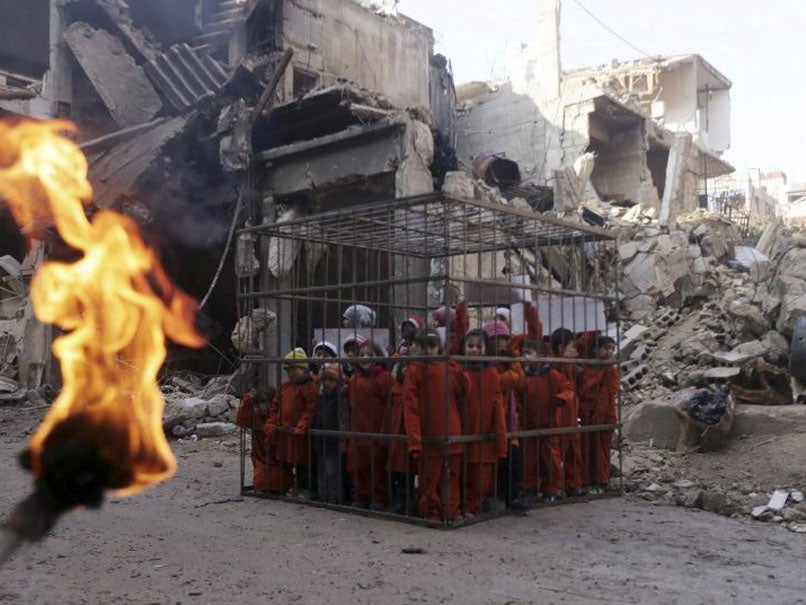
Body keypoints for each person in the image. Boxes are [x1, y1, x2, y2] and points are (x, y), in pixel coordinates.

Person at [403, 328, 469, 523]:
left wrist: (459, 371)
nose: (428, 351)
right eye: (424, 347)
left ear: (439, 347)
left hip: (451, 431)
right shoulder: (415, 370)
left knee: (452, 476)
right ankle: (431, 511)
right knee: (430, 479)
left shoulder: (449, 367)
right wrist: (415, 440)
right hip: (429, 434)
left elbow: (464, 392)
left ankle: (451, 510)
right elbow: (411, 406)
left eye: (432, 346)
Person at [513, 341, 574, 508]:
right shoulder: (523, 378)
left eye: (528, 352)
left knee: (551, 459)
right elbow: (518, 399)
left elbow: (568, 391)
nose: (525, 356)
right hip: (529, 426)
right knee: (529, 460)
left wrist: (561, 398)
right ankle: (529, 490)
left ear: (540, 355)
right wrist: (519, 416)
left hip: (549, 425)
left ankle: (552, 489)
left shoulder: (554, 376)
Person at [460, 329, 507, 519]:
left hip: (484, 429)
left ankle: (473, 506)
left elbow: (498, 405)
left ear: (486, 349)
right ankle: (462, 506)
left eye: (478, 346)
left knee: (480, 476)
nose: (474, 350)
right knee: (461, 472)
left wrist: (500, 436)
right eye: (470, 346)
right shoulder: (458, 370)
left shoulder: (491, 373)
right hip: (461, 428)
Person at [264, 348, 319, 498]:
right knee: (291, 461)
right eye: (289, 369)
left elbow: (310, 409)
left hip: (301, 433)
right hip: (287, 432)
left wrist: (302, 425)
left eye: (295, 368)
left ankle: (307, 489)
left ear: (303, 368)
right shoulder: (286, 387)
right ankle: (295, 486)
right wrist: (272, 423)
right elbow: (276, 406)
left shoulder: (309, 386)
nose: (291, 372)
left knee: (304, 463)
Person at [483, 319, 524, 508]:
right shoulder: (486, 364)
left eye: (504, 339)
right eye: (497, 339)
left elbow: (519, 380)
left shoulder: (507, 361)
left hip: (508, 420)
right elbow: (499, 382)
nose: (501, 343)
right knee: (492, 461)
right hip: (489, 419)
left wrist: (513, 359)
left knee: (512, 459)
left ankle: (512, 497)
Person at [347, 340, 392, 509]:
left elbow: (389, 406)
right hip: (358, 430)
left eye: (370, 355)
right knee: (358, 467)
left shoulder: (384, 378)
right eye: (362, 355)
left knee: (378, 467)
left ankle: (379, 498)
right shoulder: (353, 379)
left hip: (376, 429)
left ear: (378, 357)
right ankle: (361, 496)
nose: (365, 358)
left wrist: (384, 431)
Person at [578, 336, 619, 494]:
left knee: (601, 449)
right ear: (596, 349)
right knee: (586, 448)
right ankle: (587, 480)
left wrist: (598, 415)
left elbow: (607, 395)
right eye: (606, 348)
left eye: (612, 348)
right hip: (586, 413)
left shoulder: (611, 370)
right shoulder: (587, 368)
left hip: (603, 415)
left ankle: (601, 481)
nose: (610, 352)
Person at [550, 328, 584, 496]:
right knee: (557, 456)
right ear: (560, 348)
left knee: (573, 454)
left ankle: (572, 485)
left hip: (571, 416)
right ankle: (556, 487)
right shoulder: (555, 368)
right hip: (560, 416)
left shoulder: (569, 367)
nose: (576, 353)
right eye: (572, 348)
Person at [236, 386, 286, 494]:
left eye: (264, 402)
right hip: (262, 459)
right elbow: (242, 421)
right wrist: (248, 401)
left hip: (277, 459)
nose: (261, 407)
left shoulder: (278, 416)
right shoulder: (256, 416)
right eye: (259, 403)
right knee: (261, 484)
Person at [312, 363, 350, 504]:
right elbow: (319, 418)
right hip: (323, 439)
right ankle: (324, 494)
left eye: (331, 380)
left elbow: (343, 421)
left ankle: (335, 496)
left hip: (334, 440)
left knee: (333, 469)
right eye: (325, 380)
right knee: (323, 468)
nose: (327, 383)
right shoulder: (323, 397)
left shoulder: (340, 398)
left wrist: (342, 440)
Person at [388, 345, 418, 514]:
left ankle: (409, 502)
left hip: (409, 435)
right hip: (396, 434)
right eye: (405, 366)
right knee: (397, 472)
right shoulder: (396, 388)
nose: (407, 370)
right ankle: (399, 501)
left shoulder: (416, 390)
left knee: (409, 472)